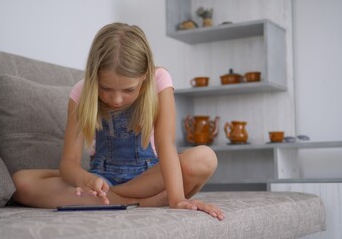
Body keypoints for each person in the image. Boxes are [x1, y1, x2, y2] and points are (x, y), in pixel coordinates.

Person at [12, 22, 224, 221]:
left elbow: (165, 144)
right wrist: (85, 180)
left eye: (128, 90)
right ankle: (141, 202)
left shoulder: (159, 80)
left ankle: (115, 199)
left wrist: (177, 199)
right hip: (103, 178)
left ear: (145, 76)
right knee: (20, 182)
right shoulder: (81, 92)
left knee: (204, 158)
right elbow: (69, 162)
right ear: (94, 76)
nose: (116, 99)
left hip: (147, 177)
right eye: (105, 88)